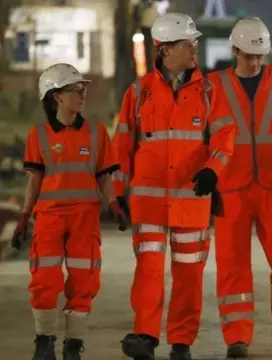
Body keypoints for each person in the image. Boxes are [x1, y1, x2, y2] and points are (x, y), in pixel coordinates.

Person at [112, 12, 235, 360]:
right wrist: (118, 193)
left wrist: (213, 170)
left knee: (188, 276)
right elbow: (122, 146)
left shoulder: (210, 91)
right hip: (149, 204)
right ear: (164, 49)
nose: (194, 49)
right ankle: (146, 337)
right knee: (149, 273)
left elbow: (226, 137)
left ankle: (182, 342)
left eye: (194, 43)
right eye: (187, 44)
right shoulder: (138, 93)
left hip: (191, 202)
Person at [207, 16, 272, 359]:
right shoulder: (214, 86)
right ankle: (237, 337)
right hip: (230, 187)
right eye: (248, 55)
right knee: (232, 264)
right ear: (234, 50)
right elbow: (204, 139)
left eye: (259, 56)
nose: (253, 62)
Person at [12, 63, 129, 360]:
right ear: (56, 96)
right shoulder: (38, 135)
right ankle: (45, 340)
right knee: (44, 279)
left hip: (84, 218)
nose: (82, 95)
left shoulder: (96, 132)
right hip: (49, 217)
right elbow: (34, 179)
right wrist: (24, 217)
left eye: (83, 89)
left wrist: (114, 203)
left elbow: (104, 174)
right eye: (75, 90)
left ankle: (74, 344)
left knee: (84, 278)